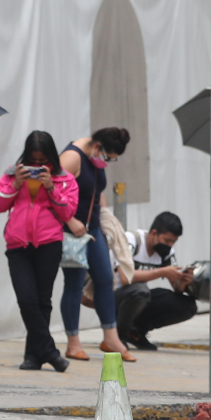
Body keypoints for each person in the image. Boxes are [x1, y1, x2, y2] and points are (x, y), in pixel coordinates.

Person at [0, 130, 75, 372]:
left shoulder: (64, 179)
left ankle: (33, 356)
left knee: (42, 301)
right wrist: (16, 184)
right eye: (33, 161)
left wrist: (51, 188)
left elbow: (67, 213)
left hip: (49, 243)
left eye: (43, 162)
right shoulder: (12, 174)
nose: (38, 166)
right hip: (18, 245)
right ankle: (49, 351)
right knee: (27, 300)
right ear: (26, 156)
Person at [59, 127, 132, 363]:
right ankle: (73, 343)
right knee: (74, 284)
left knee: (104, 279)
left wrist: (106, 216)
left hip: (93, 228)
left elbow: (96, 190)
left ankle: (111, 338)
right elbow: (51, 192)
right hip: (72, 231)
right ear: (98, 147)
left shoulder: (95, 159)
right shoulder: (72, 157)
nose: (108, 161)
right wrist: (69, 220)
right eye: (109, 157)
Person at [115, 212, 198, 350]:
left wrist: (183, 281)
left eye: (173, 242)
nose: (169, 245)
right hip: (113, 295)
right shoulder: (132, 240)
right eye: (167, 241)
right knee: (140, 291)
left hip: (137, 297)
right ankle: (119, 337)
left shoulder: (166, 253)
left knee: (187, 305)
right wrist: (160, 272)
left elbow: (177, 289)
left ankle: (136, 332)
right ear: (154, 233)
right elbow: (125, 277)